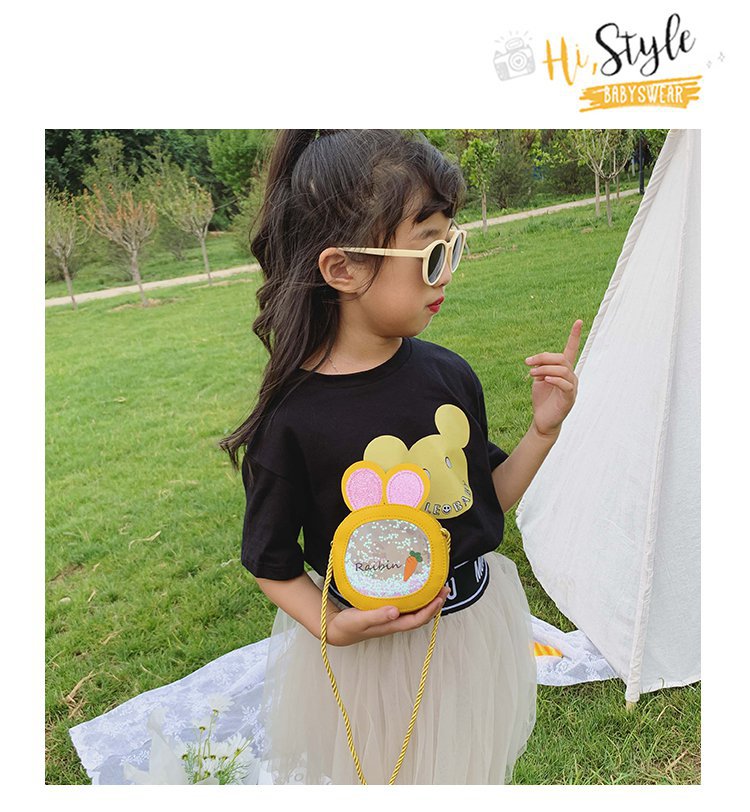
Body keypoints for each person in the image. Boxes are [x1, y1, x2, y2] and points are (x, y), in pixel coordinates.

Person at [219, 129, 583, 785]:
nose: (448, 271)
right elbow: (270, 562)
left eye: (453, 246)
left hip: (470, 629)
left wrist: (542, 431)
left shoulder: (449, 375)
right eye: (431, 253)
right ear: (343, 269)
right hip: (373, 661)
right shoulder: (292, 421)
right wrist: (332, 627)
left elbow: (482, 499)